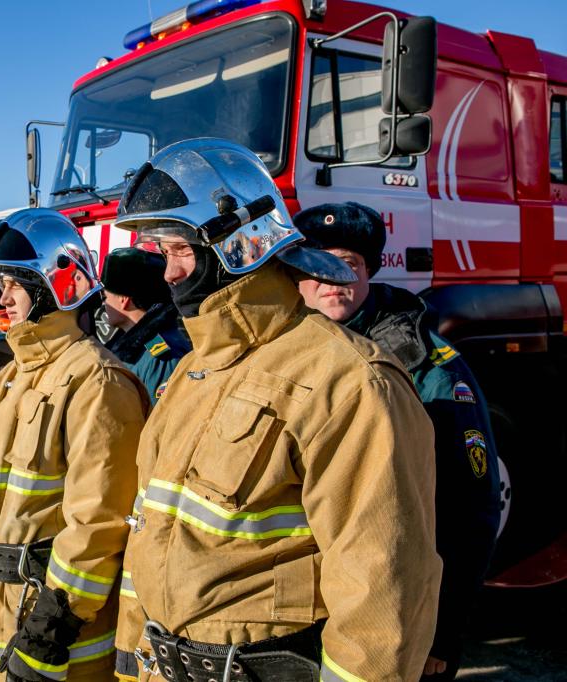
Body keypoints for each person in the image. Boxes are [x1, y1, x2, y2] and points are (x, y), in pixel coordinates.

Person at [111, 139, 441, 682]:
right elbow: (149, 535)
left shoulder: (348, 380)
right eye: (162, 254)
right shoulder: (193, 372)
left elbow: (384, 591)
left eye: (178, 252)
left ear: (235, 243)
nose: (168, 275)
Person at [294, 201, 502, 681]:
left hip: (389, 618)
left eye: (347, 264)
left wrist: (442, 631)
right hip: (297, 615)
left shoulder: (424, 367)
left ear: (369, 271)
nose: (332, 279)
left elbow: (471, 511)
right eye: (316, 265)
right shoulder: (273, 355)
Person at [0, 209, 148, 682]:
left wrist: (52, 627)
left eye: (16, 282)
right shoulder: (10, 377)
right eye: (1, 282)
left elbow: (100, 520)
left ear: (58, 285)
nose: (3, 295)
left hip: (63, 642)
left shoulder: (96, 380)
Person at [101, 247, 190, 403]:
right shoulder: (125, 348)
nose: (103, 303)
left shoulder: (162, 359)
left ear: (123, 299)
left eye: (105, 296)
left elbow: (160, 420)